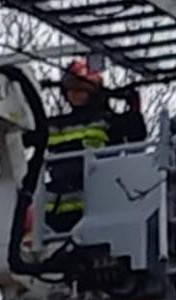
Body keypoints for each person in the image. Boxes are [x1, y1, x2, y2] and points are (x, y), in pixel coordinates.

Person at [42, 59, 148, 235]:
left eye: (80, 90)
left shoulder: (107, 120)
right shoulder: (55, 124)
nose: (74, 94)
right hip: (54, 209)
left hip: (95, 205)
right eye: (70, 89)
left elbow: (136, 137)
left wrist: (134, 110)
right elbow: (27, 138)